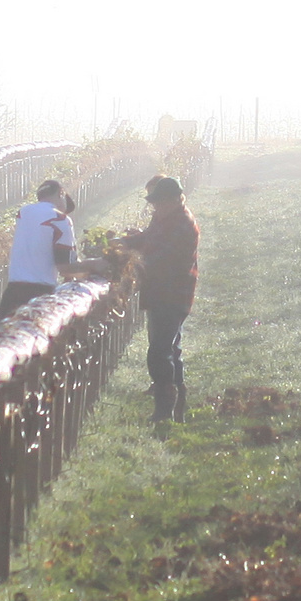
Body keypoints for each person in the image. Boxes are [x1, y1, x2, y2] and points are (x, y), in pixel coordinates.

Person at [118, 175, 198, 421]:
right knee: (169, 348)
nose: (155, 207)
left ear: (175, 200)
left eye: (159, 202)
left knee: (160, 351)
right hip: (161, 292)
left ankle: (164, 407)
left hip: (172, 294)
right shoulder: (165, 218)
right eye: (154, 203)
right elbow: (147, 239)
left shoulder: (182, 224)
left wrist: (124, 265)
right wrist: (122, 242)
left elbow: (159, 258)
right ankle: (176, 405)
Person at [0, 179, 76, 319]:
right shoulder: (60, 219)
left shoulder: (23, 213)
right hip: (40, 295)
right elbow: (66, 268)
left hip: (12, 292)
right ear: (61, 193)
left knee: (3, 338)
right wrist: (96, 265)